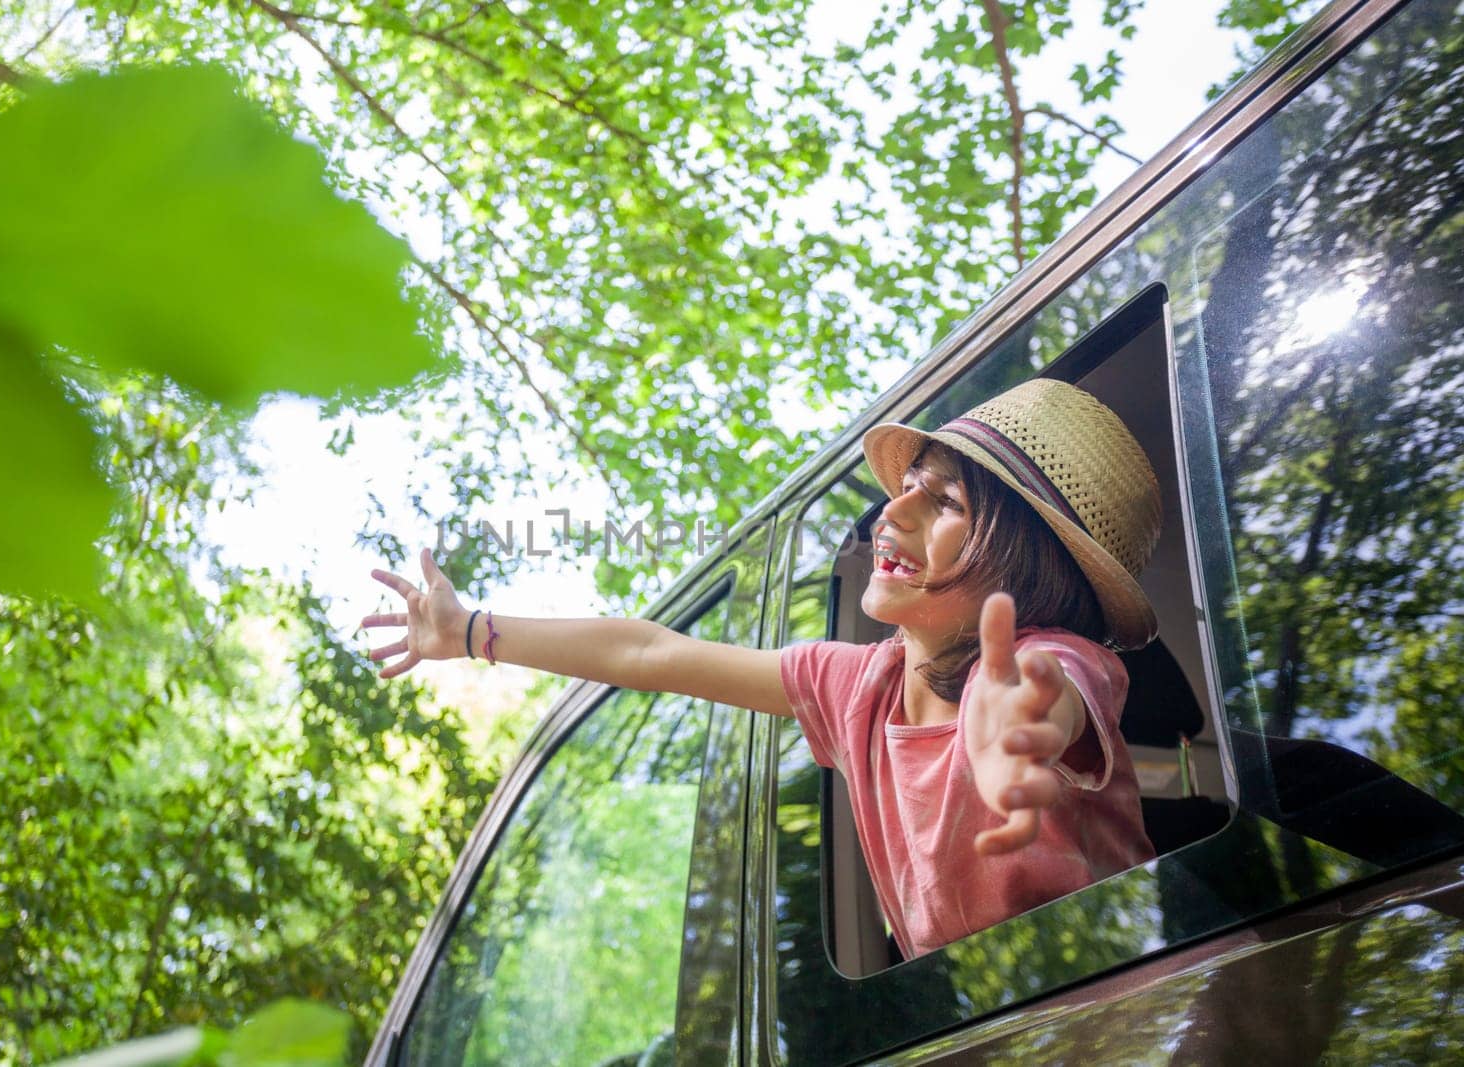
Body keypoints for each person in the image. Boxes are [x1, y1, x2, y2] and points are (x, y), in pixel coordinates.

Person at [364, 378, 1161, 959]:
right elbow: (651, 651)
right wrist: (471, 630)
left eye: (944, 502)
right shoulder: (856, 686)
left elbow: (1039, 699)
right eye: (906, 486)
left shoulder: (1053, 660)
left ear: (1028, 565)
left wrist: (1008, 732)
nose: (895, 510)